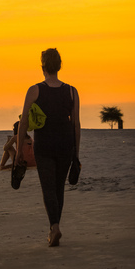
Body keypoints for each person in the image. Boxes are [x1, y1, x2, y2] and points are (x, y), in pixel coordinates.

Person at [17, 48, 81, 247]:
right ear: (59, 66)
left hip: (44, 145)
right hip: (65, 144)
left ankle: (54, 227)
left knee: (48, 187)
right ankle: (55, 226)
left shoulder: (35, 90)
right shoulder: (71, 91)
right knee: (58, 187)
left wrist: (19, 149)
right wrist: (76, 153)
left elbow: (24, 122)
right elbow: (75, 124)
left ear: (43, 66)